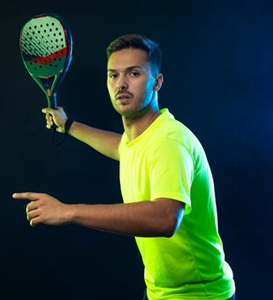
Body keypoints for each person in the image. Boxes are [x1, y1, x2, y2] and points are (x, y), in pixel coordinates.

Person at [13, 34, 236, 300]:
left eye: (134, 74)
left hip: (199, 295)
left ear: (157, 82)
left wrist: (68, 212)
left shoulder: (169, 141)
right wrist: (68, 125)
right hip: (160, 291)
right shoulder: (143, 137)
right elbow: (123, 148)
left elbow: (165, 219)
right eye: (113, 75)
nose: (121, 84)